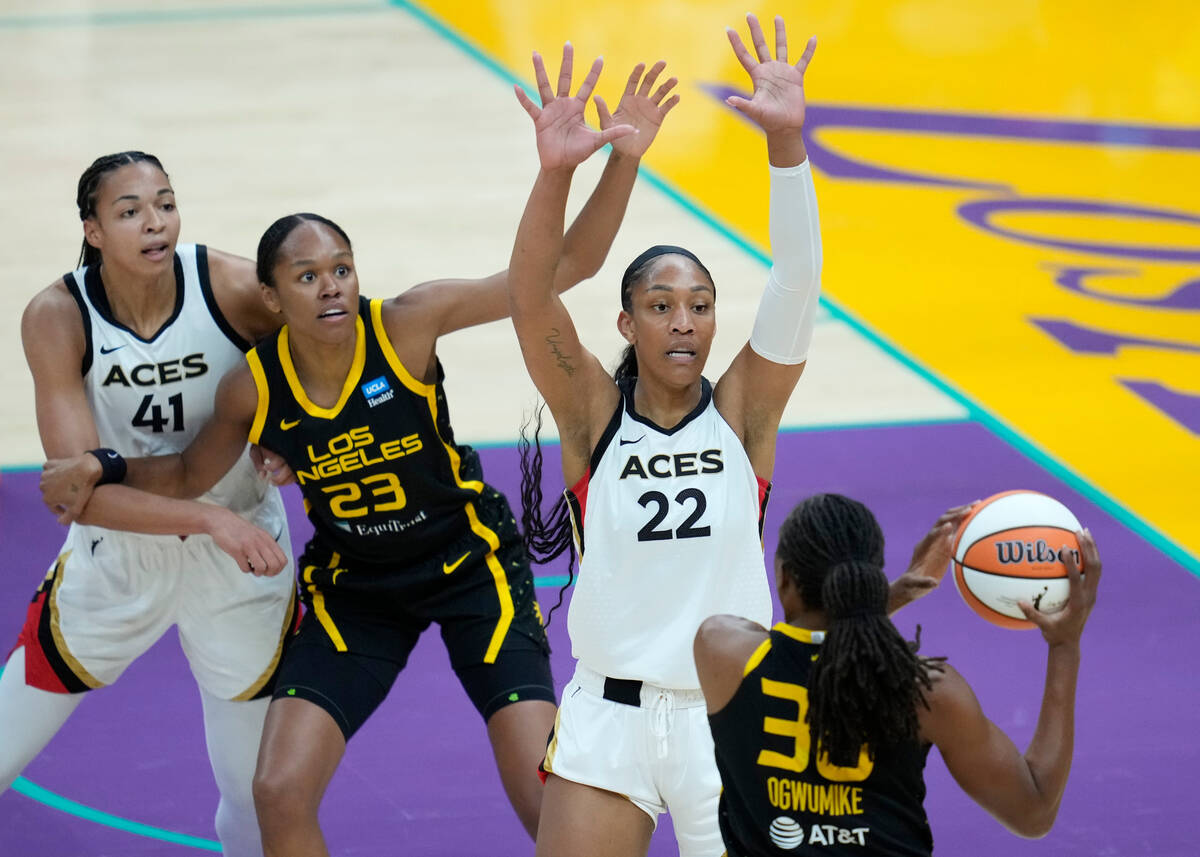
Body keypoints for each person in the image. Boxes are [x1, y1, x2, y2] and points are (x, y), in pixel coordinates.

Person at [42, 52, 675, 856]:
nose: (333, 285)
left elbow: (567, 267)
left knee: (543, 796)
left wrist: (614, 160)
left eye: (341, 267)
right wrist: (107, 465)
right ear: (271, 299)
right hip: (359, 585)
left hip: (468, 565)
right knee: (277, 789)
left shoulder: (407, 324)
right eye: (307, 276)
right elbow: (185, 476)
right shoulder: (254, 386)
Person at [507, 13, 942, 857]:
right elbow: (530, 301)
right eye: (662, 307)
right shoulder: (592, 414)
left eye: (701, 306)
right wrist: (557, 175)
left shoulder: (743, 412)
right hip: (609, 714)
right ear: (628, 322)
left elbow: (797, 282)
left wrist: (787, 146)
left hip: (729, 713)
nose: (685, 323)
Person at [4, 151, 296, 857]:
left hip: (242, 567)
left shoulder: (231, 286)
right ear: (94, 229)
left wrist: (288, 437)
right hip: (118, 563)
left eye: (164, 203)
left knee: (255, 804)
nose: (154, 222)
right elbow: (83, 499)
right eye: (130, 210)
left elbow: (324, 367)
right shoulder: (57, 314)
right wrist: (209, 517)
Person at [694, 494, 1100, 856]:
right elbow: (1034, 811)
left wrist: (893, 596)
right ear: (870, 580)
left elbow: (811, 647)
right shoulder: (926, 690)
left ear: (784, 579)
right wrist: (1065, 646)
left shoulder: (723, 652)